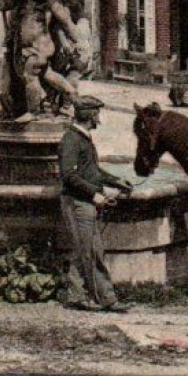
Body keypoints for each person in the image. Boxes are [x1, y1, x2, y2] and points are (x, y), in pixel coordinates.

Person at [57, 96, 132, 313]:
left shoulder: (82, 138)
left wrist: (116, 181)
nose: (99, 117)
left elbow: (92, 171)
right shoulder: (72, 139)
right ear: (90, 116)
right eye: (97, 113)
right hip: (78, 202)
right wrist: (94, 195)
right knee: (90, 250)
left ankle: (81, 296)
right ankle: (104, 299)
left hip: (84, 201)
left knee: (87, 249)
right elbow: (68, 175)